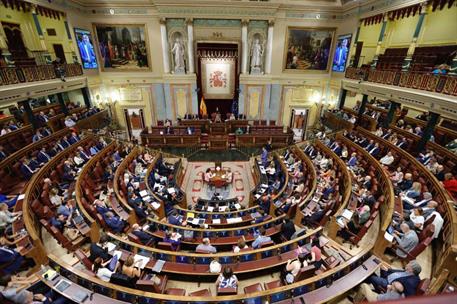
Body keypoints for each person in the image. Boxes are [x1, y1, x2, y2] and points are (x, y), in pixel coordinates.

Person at [0, 274, 67, 304]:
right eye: (12, 277)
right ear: (9, 282)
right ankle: (59, 283)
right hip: (30, 299)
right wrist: (16, 281)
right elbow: (28, 283)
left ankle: (55, 276)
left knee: (42, 281)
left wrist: (16, 279)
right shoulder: (8, 293)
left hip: (28, 293)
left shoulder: (7, 287)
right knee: (47, 285)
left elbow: (26, 278)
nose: (14, 276)